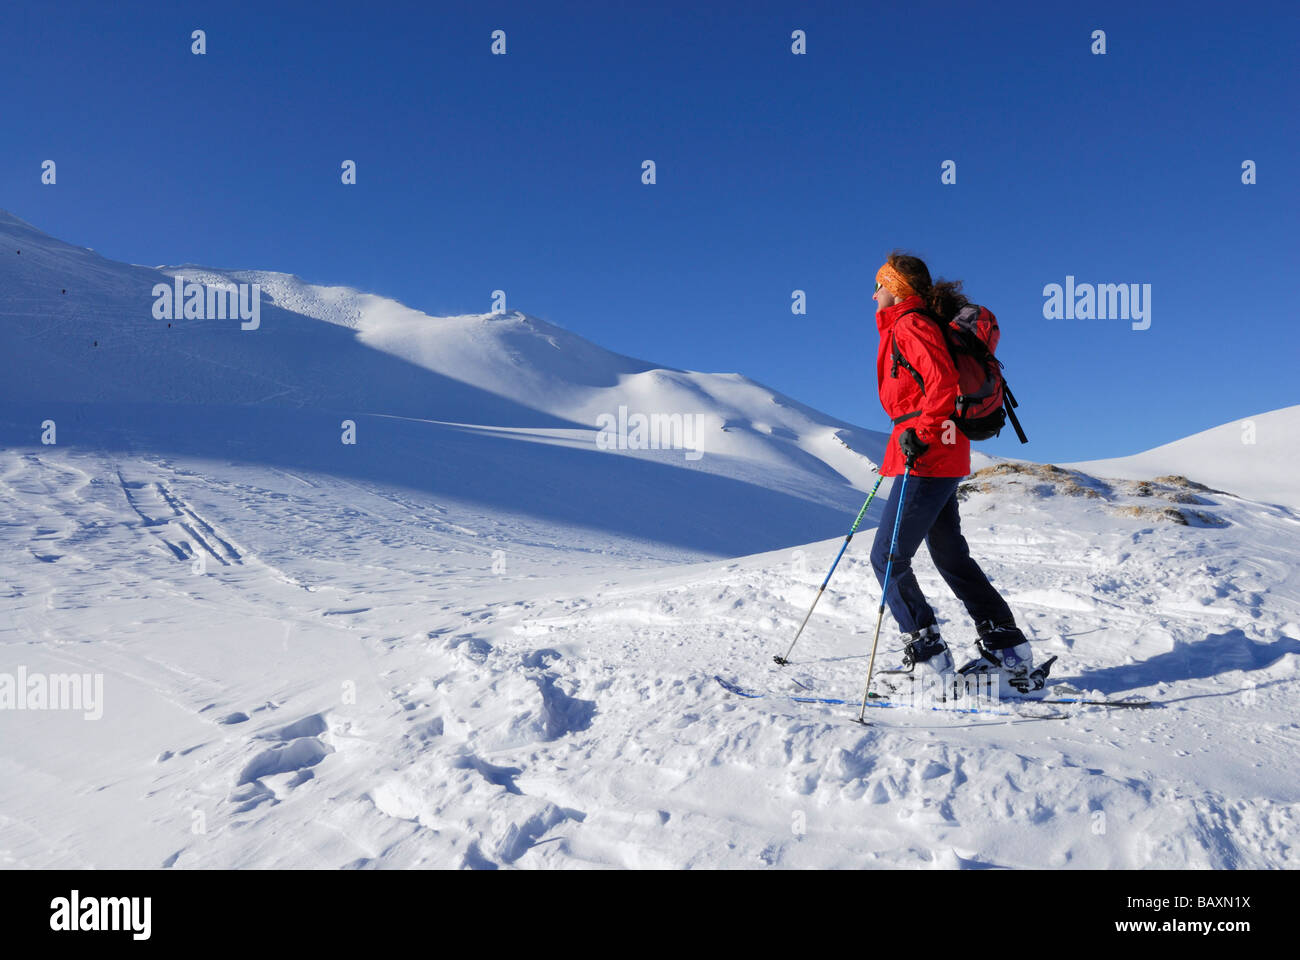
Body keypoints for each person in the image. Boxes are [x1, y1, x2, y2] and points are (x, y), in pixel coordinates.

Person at [869, 252, 1033, 687]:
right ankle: (1008, 649)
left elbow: (941, 381)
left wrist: (921, 433)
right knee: (949, 555)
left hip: (927, 453)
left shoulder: (910, 324)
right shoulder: (911, 324)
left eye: (880, 286)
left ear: (897, 289)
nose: (874, 294)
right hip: (941, 449)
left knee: (886, 557)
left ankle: (929, 660)